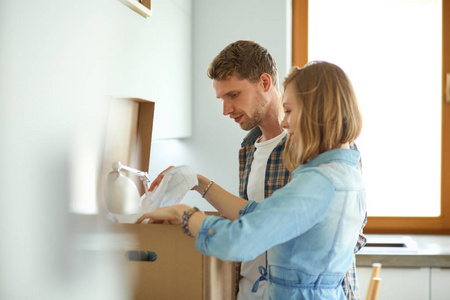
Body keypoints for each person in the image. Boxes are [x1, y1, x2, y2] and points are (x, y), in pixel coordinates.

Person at [137, 61, 367, 300]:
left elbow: (240, 239)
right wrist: (197, 181)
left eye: (288, 111)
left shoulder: (317, 182)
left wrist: (184, 215)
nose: (285, 122)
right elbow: (262, 215)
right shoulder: (345, 172)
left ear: (317, 110)